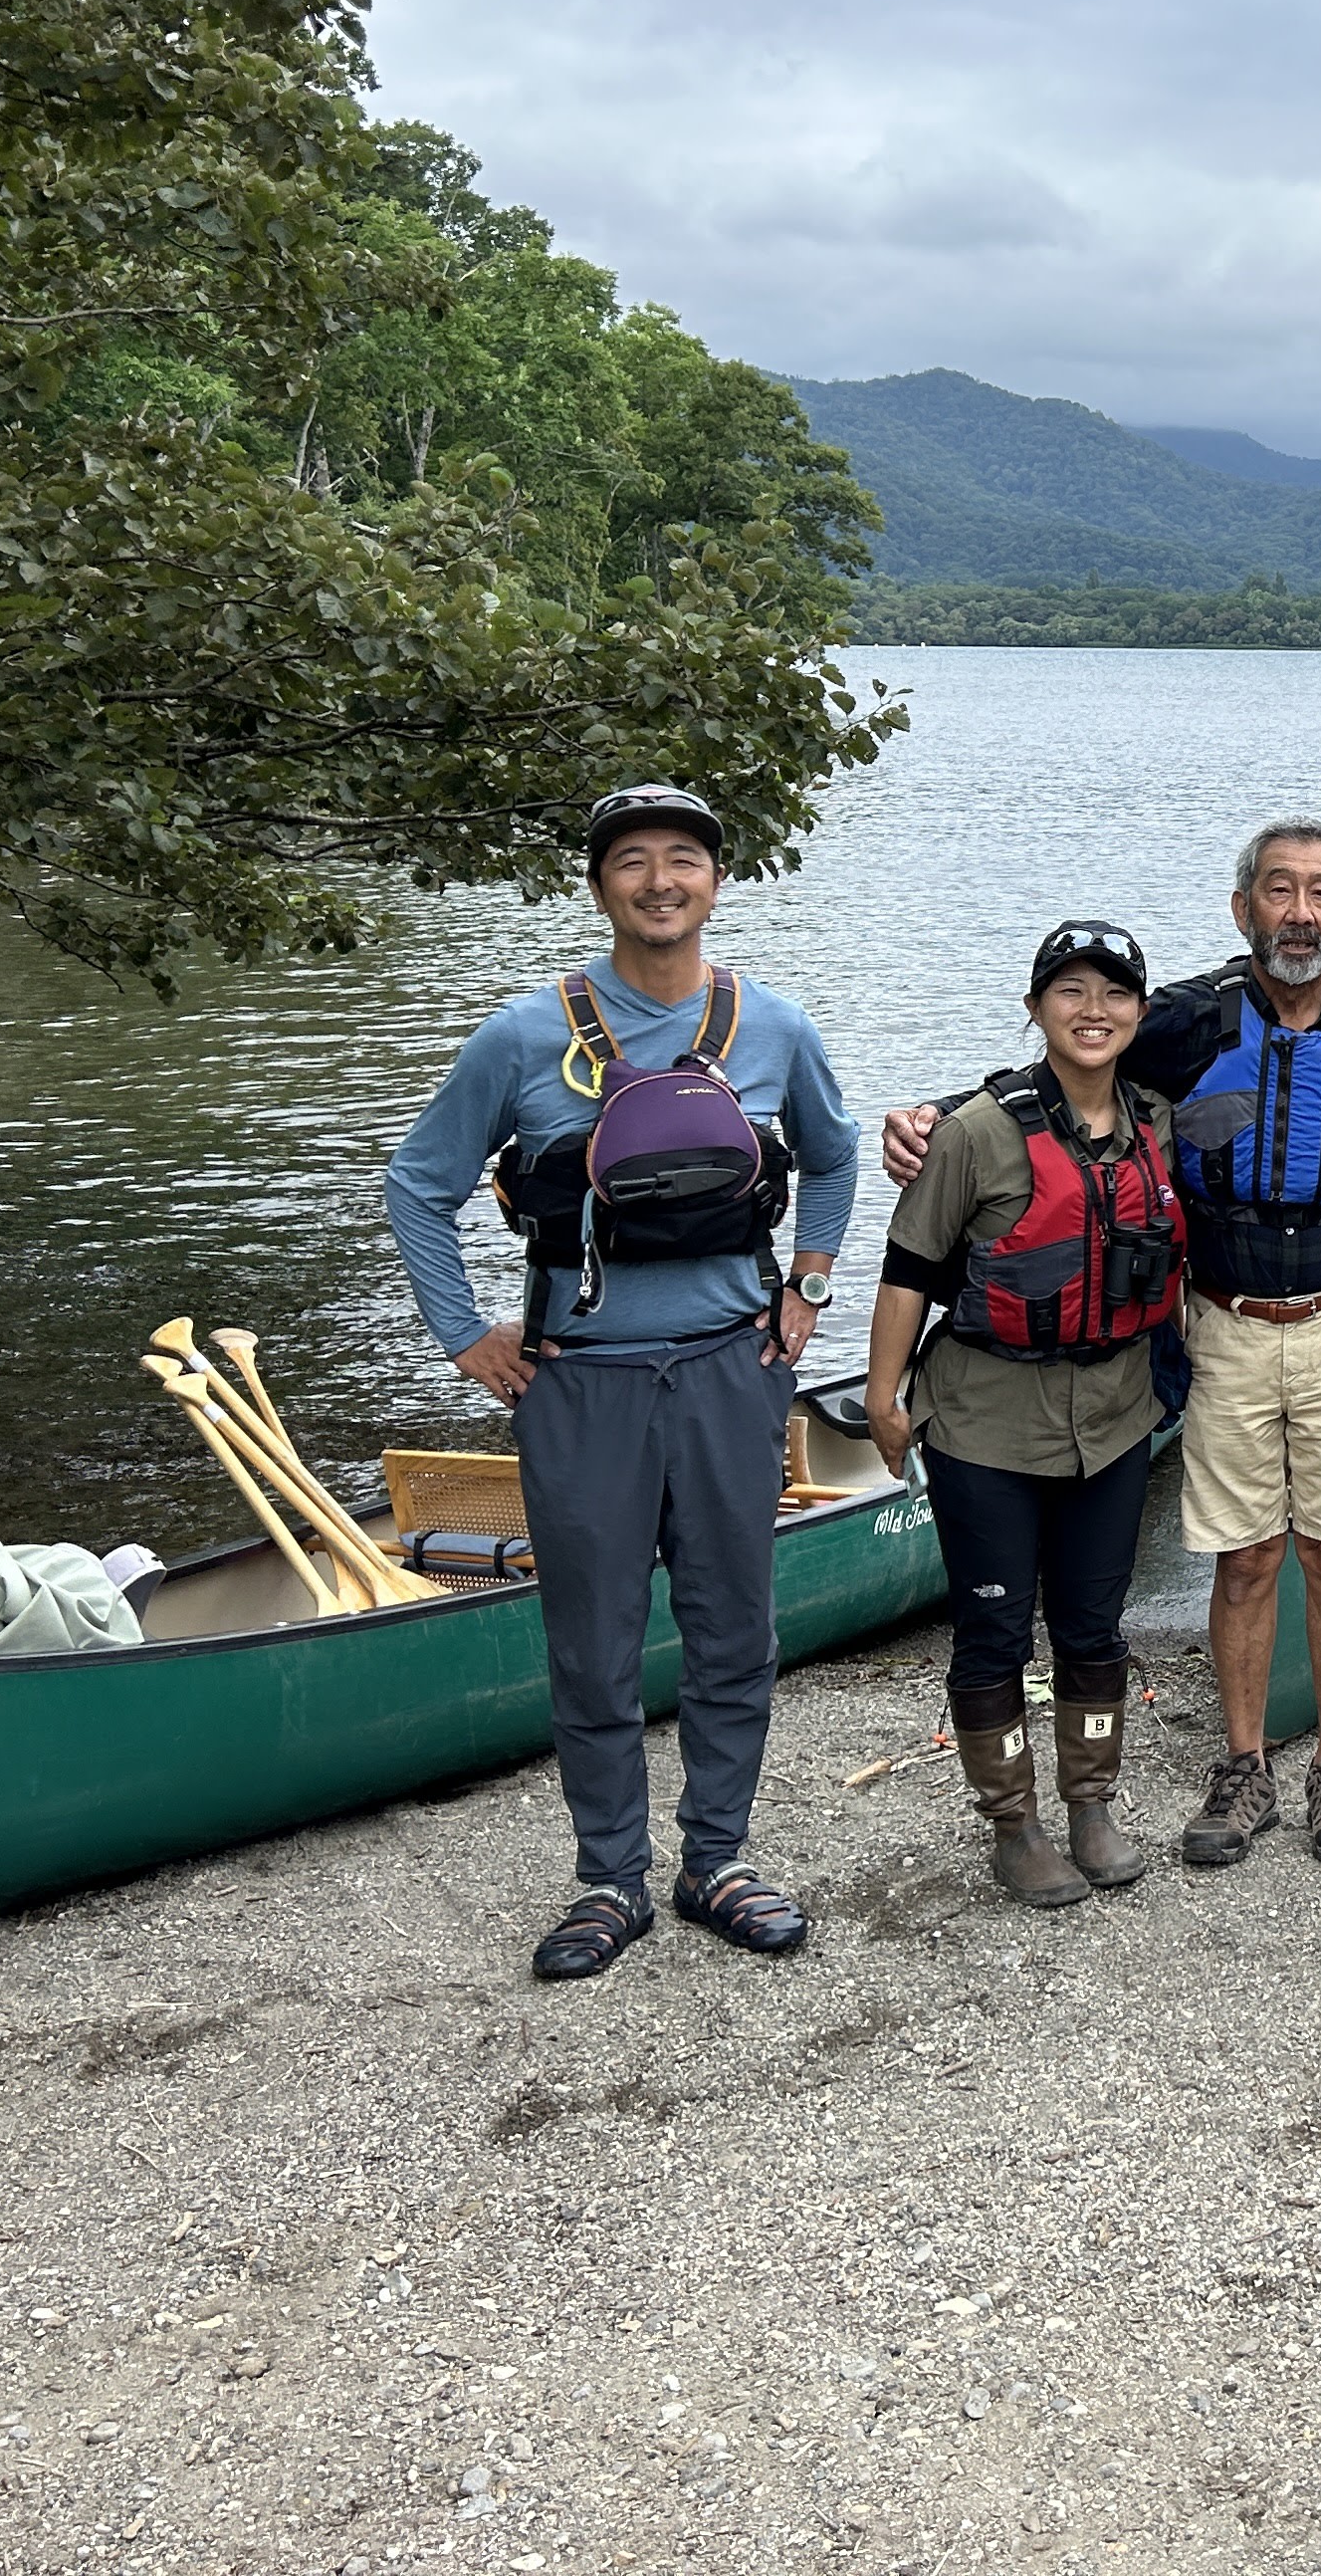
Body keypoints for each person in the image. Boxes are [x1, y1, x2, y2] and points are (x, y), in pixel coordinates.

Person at [882, 820, 1321, 1869]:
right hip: (1225, 1322)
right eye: (1280, 890)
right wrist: (935, 1113)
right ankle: (1242, 1767)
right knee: (1245, 1554)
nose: (1301, 913)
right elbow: (1064, 1071)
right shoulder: (1186, 1020)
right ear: (1244, 911)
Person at [383, 783, 853, 1983]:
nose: (660, 880)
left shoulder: (777, 1028)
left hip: (729, 1373)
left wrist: (805, 1290)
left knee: (732, 1626)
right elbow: (417, 1185)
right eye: (633, 862)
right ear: (601, 888)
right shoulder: (522, 1039)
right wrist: (463, 1335)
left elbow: (839, 1160)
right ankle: (610, 1879)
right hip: (580, 1385)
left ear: (716, 879)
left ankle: (719, 1861)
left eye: (683, 859)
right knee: (591, 1642)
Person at [864, 918, 1184, 1906]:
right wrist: (882, 1395)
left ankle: (1090, 1802)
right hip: (985, 1420)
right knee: (995, 1634)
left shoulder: (1155, 1123)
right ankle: (1014, 1822)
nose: (1095, 1012)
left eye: (1115, 995)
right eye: (1071, 993)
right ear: (1036, 1007)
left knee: (1094, 1626)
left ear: (1139, 1012)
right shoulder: (974, 1133)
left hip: (1116, 1412)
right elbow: (912, 1266)